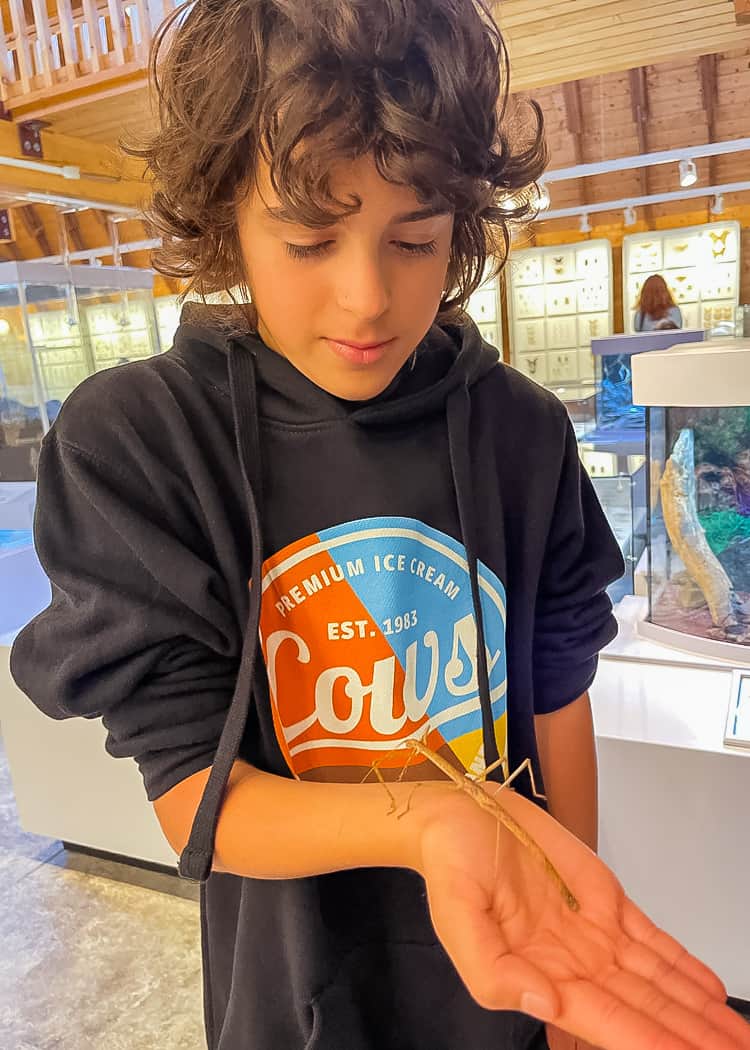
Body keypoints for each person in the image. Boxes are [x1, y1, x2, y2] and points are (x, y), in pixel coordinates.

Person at [9, 3, 750, 1050]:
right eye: (309, 238)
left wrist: (574, 930)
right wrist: (439, 824)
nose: (366, 299)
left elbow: (555, 696)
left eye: (414, 240)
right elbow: (192, 799)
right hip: (292, 994)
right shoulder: (141, 442)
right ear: (228, 216)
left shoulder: (518, 429)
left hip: (500, 995)